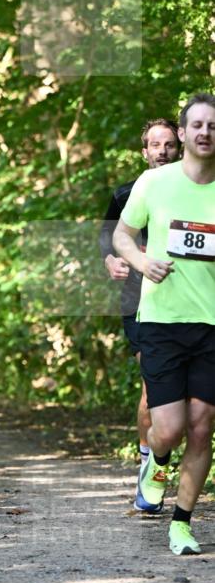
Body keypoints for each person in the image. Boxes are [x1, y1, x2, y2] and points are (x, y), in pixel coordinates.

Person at [113, 93, 215, 555]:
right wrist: (140, 261)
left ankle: (182, 522)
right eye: (197, 125)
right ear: (184, 132)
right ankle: (155, 462)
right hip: (161, 321)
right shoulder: (153, 184)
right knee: (169, 429)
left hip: (211, 323)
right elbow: (122, 234)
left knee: (202, 424)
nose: (205, 133)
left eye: (212, 126)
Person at [99, 118, 180, 507]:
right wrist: (111, 261)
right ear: (143, 151)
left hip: (189, 301)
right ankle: (149, 466)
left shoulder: (195, 188)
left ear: (178, 147)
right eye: (154, 145)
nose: (162, 151)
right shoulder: (126, 192)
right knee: (152, 386)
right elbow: (108, 237)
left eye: (168, 144)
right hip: (139, 301)